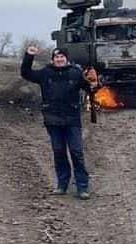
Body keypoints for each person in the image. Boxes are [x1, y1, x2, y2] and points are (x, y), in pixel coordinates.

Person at [21, 45, 96, 197]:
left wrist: (93, 83)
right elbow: (26, 73)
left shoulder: (75, 73)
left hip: (72, 120)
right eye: (56, 57)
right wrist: (28, 56)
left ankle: (82, 187)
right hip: (52, 120)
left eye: (62, 57)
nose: (59, 59)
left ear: (66, 59)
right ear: (53, 59)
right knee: (59, 152)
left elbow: (90, 88)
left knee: (76, 152)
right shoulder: (45, 73)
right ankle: (62, 185)